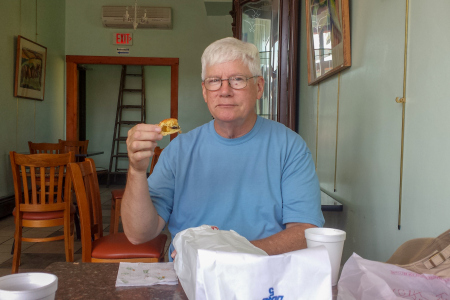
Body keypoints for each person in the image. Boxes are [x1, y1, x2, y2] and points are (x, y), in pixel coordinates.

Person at [121, 37, 324, 260]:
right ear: (204, 91)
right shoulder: (179, 150)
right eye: (214, 81)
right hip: (191, 282)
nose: (224, 90)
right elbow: (138, 234)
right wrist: (137, 171)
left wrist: (226, 253)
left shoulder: (289, 147)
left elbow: (304, 232)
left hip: (264, 280)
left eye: (237, 80)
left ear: (258, 87)